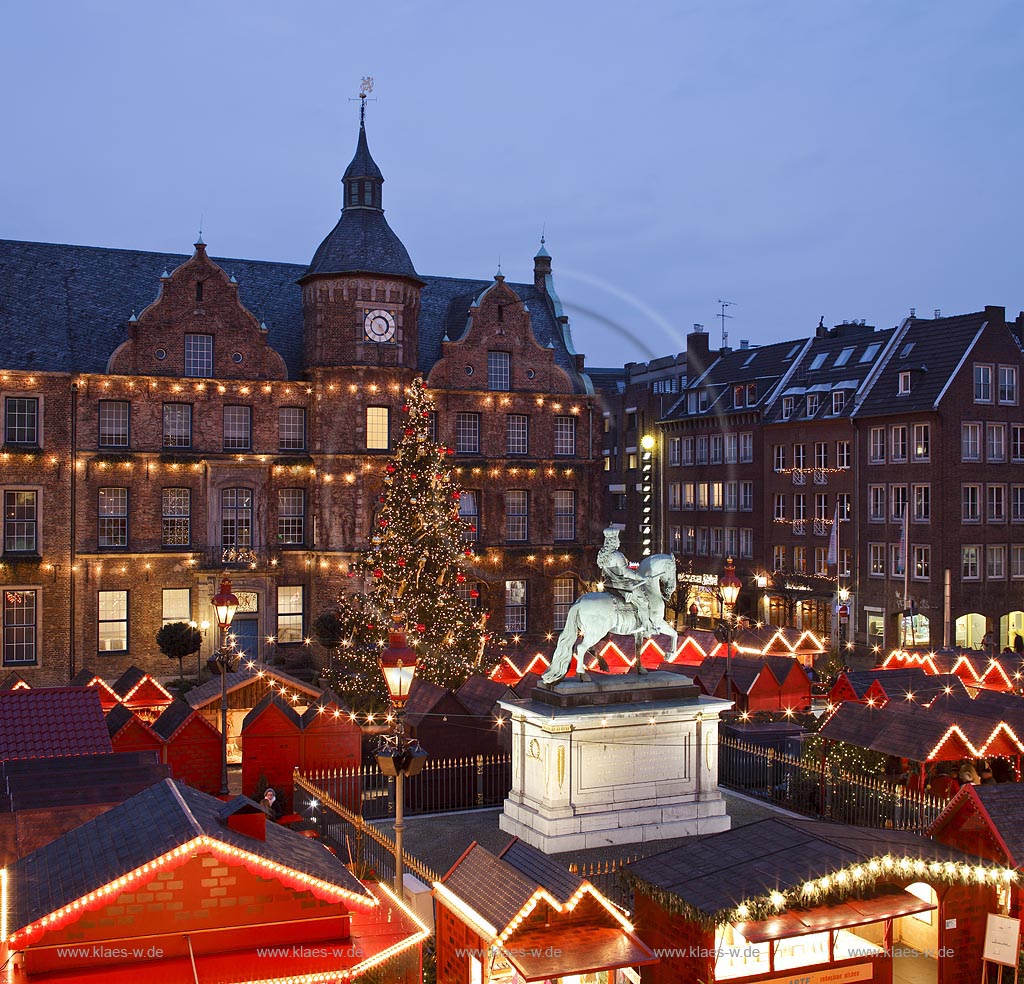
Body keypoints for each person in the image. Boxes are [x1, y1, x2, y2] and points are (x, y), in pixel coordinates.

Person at [597, 527, 651, 631]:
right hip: (623, 586)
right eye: (617, 539)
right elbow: (626, 572)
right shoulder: (618, 556)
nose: (619, 541)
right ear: (614, 541)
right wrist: (642, 577)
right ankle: (647, 627)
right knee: (643, 602)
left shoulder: (601, 556)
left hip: (609, 585)